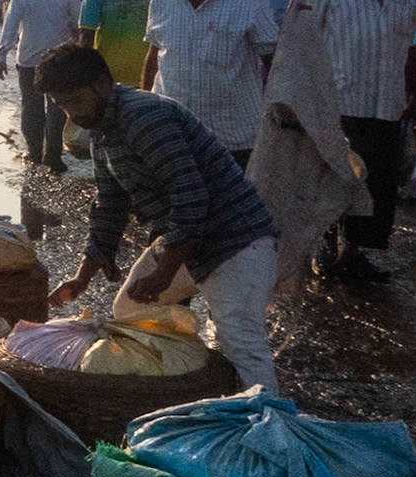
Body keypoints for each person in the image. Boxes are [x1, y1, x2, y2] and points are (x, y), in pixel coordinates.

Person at [39, 44, 281, 392]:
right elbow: (109, 207)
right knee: (129, 311)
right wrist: (82, 277)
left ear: (103, 83)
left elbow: (190, 195)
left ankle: (268, 429)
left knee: (241, 343)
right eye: (63, 105)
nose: (72, 114)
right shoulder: (101, 132)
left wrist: (164, 273)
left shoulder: (145, 116)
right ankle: (185, 385)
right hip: (182, 240)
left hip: (237, 239)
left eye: (76, 100)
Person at [299, 0, 416, 280]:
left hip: (387, 100)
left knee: (379, 183)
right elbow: (304, 48)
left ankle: (354, 253)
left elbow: (408, 45)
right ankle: (326, 247)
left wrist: (415, 92)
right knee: (335, 179)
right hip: (339, 102)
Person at [141, 0, 277, 167]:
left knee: (233, 205)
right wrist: (146, 111)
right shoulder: (160, 3)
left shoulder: (247, 0)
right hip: (175, 136)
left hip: (233, 138)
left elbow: (276, 63)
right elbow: (154, 60)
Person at [0, 0, 82, 169]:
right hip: (60, 59)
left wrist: (1, 54)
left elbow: (11, 25)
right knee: (57, 107)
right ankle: (52, 154)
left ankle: (34, 152)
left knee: (31, 106)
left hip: (28, 58)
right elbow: (78, 23)